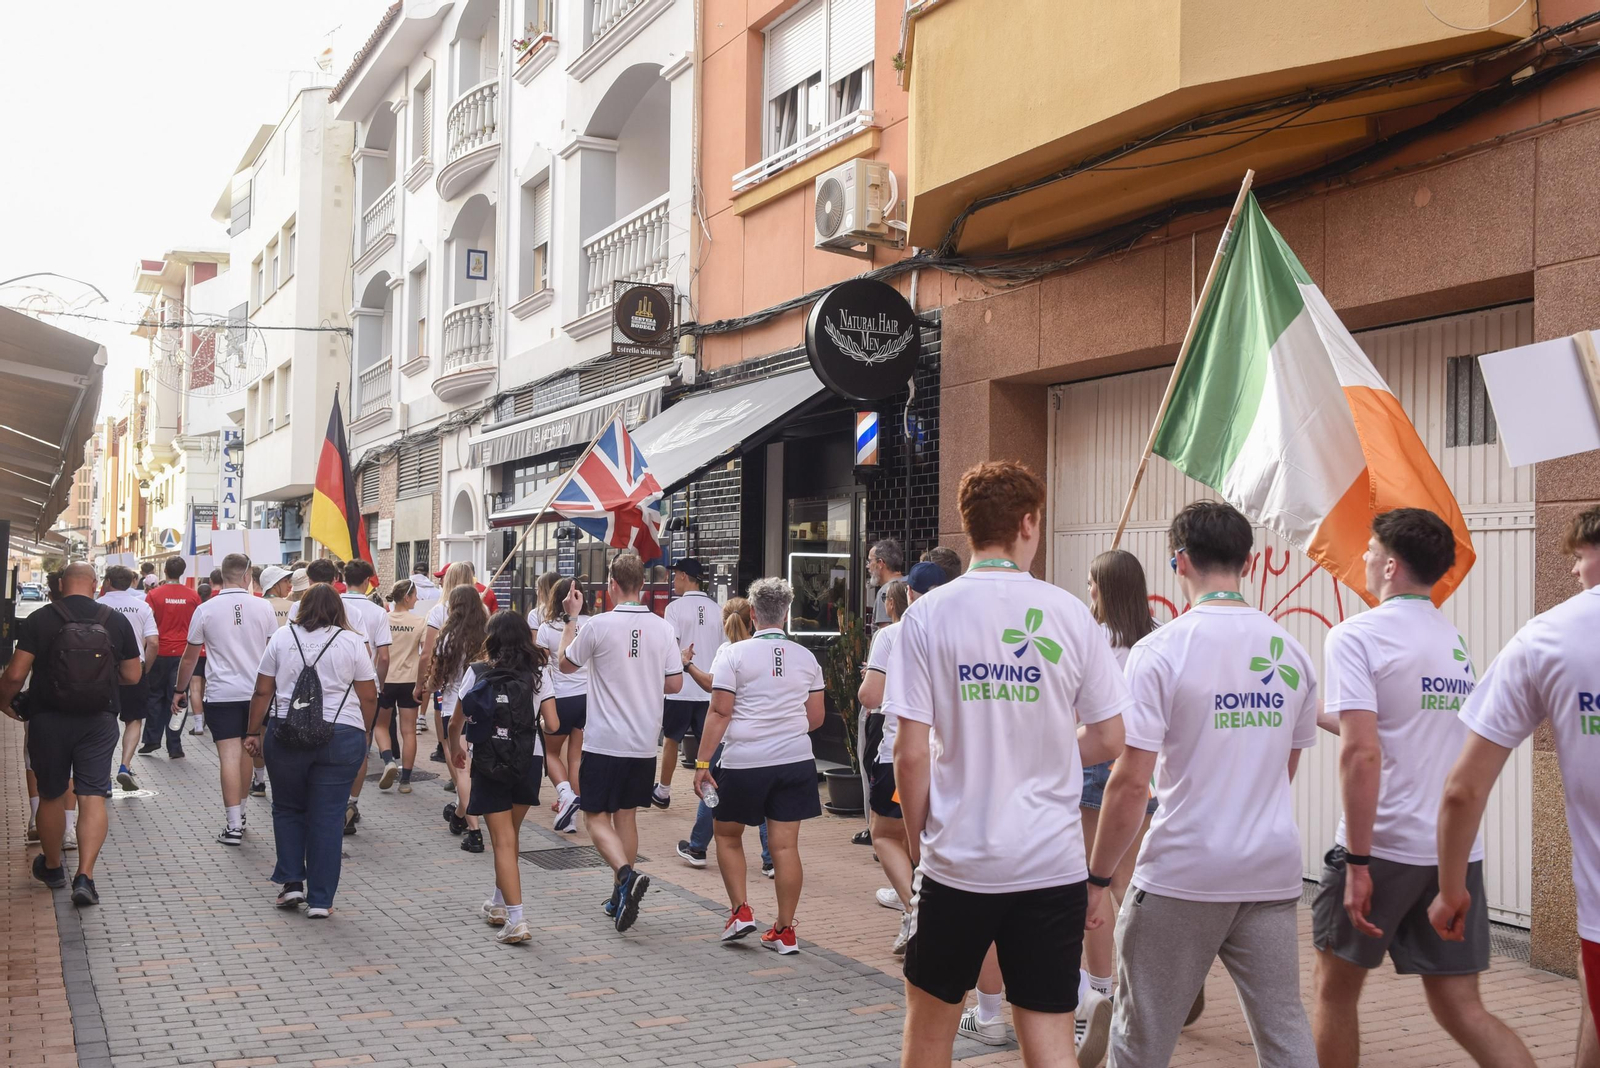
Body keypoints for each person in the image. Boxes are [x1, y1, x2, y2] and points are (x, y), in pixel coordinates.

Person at [884, 461, 1129, 1068]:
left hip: (958, 861)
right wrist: (1046, 747)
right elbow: (1111, 736)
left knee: (929, 1036)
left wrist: (920, 851)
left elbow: (909, 755)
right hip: (1051, 863)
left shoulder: (927, 616)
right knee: (1048, 1041)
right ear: (1028, 523)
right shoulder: (1071, 613)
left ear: (969, 528)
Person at [1087, 500, 1317, 1068]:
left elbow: (1130, 781)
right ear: (1247, 559)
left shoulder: (1161, 650)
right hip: (1269, 870)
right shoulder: (1289, 649)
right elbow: (1281, 771)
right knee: (1285, 1033)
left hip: (1182, 874)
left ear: (1179, 562)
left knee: (1139, 1043)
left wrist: (1096, 877)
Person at [1309, 509, 1533, 1067]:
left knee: (1333, 993)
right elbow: (1403, 729)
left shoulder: (1355, 635)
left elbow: (1364, 752)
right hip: (1452, 854)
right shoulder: (1452, 641)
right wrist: (1320, 713)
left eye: (1366, 549)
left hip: (1381, 848)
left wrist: (1357, 862)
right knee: (1462, 1007)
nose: (1360, 558)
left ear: (1388, 564)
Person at [1431, 504, 1600, 1067]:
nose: (1574, 571)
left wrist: (1452, 889)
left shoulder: (1547, 638)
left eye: (1577, 556)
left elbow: (1463, 788)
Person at [694, 578, 824, 954]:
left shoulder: (734, 655)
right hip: (796, 760)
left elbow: (720, 711)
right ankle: (784, 930)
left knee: (728, 835)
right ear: (786, 613)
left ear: (752, 614)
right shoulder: (807, 658)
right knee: (785, 848)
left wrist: (703, 763)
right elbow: (815, 718)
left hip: (745, 761)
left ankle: (740, 911)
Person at [0, 563, 142, 906]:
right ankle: (85, 875)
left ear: (62, 584)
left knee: (51, 795)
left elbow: (17, 673)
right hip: (98, 719)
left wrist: (5, 702)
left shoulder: (40, 619)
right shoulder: (114, 620)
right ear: (96, 584)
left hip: (48, 718)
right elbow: (133, 675)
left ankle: (52, 866)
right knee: (91, 795)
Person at [557, 552, 683, 933]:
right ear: (642, 585)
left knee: (594, 816)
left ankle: (625, 877)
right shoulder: (662, 628)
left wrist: (571, 619)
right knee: (626, 816)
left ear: (611, 584)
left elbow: (565, 664)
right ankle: (618, 897)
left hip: (604, 740)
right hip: (644, 741)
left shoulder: (597, 626)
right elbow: (675, 684)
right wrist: (643, 680)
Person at [245, 584, 378, 916]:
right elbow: (369, 695)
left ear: (301, 607)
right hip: (341, 734)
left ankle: (291, 884)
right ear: (338, 610)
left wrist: (251, 731)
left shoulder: (282, 637)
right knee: (329, 817)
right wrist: (365, 733)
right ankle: (321, 901)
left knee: (288, 808)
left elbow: (262, 691)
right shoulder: (351, 641)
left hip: (286, 734)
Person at [1076, 548, 1160, 1055]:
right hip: (1141, 766)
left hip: (1096, 763)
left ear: (1106, 588)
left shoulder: (1094, 641)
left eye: (1091, 584)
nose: (1088, 593)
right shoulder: (1156, 636)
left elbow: (1082, 708)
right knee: (1128, 880)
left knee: (1095, 882)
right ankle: (1155, 976)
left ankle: (1101, 992)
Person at [450, 611, 557, 945]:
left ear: (491, 638)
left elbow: (457, 719)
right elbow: (553, 725)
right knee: (510, 837)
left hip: (489, 760)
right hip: (528, 758)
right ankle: (499, 905)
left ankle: (516, 919)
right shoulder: (539, 672)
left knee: (503, 842)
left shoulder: (479, 671)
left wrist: (457, 745)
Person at [174, 553, 278, 847]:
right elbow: (273, 653)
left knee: (229, 756)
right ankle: (241, 814)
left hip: (221, 693)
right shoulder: (264, 607)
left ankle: (233, 825)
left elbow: (189, 657)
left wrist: (179, 690)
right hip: (258, 692)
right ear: (247, 576)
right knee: (248, 750)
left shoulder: (206, 609)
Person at [675, 597, 772, 875]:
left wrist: (687, 665)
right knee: (766, 795)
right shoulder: (763, 649)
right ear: (751, 617)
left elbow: (712, 686)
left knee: (710, 789)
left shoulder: (728, 651)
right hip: (759, 732)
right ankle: (770, 858)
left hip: (727, 735)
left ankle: (697, 847)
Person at [292, 559, 391, 835]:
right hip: (351, 697)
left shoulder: (296, 609)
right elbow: (378, 657)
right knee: (357, 748)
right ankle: (350, 803)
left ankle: (317, 805)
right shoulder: (365, 613)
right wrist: (375, 689)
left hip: (306, 699)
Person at [857, 576, 913, 951]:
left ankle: (915, 910)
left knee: (885, 834)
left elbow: (870, 695)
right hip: (949, 756)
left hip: (901, 750)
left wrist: (873, 680)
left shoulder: (892, 636)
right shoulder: (958, 630)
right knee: (920, 837)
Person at [655, 559, 724, 810]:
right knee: (710, 742)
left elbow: (671, 648)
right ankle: (711, 789)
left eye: (676, 576)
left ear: (685, 576)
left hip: (681, 687)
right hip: (710, 687)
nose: (674, 581)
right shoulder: (718, 608)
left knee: (672, 739)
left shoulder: (674, 608)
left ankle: (663, 791)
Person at [428, 584, 491, 851]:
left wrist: (425, 687)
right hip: (484, 708)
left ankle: (473, 828)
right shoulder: (487, 636)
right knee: (472, 769)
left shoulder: (447, 638)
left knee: (461, 770)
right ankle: (459, 814)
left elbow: (436, 679)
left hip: (455, 707)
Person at [97, 566, 160, 794]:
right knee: (134, 720)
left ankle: (103, 777)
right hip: (135, 670)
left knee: (104, 721)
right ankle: (125, 764)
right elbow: (153, 642)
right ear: (131, 582)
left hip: (102, 672)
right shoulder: (142, 606)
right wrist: (145, 669)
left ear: (107, 581)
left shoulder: (99, 605)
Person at [417, 561, 483, 762]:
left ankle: (450, 762)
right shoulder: (482, 610)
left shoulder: (439, 611)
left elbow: (428, 652)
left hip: (449, 682)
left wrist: (422, 683)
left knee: (449, 739)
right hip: (477, 687)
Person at [536, 577, 587, 833]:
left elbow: (540, 666)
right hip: (588, 699)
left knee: (550, 751)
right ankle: (572, 817)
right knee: (575, 757)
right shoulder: (590, 624)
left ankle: (565, 795)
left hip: (561, 697)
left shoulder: (547, 628)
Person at [141, 557, 202, 758]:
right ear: (182, 572)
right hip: (184, 655)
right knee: (179, 699)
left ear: (165, 570)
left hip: (158, 653)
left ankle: (151, 740)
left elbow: (147, 626)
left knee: (154, 697)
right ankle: (175, 746)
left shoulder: (154, 595)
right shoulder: (193, 596)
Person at [378, 579, 425, 794]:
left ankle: (388, 760)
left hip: (385, 679)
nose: (417, 599)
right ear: (407, 597)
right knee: (408, 731)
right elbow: (426, 654)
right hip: (409, 681)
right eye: (415, 595)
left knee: (380, 726)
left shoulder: (383, 619)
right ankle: (405, 780)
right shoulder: (419, 622)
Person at [867, 539, 906, 628]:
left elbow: (885, 634)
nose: (868, 566)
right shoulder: (908, 585)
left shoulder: (885, 592)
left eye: (870, 561)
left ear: (880, 563)